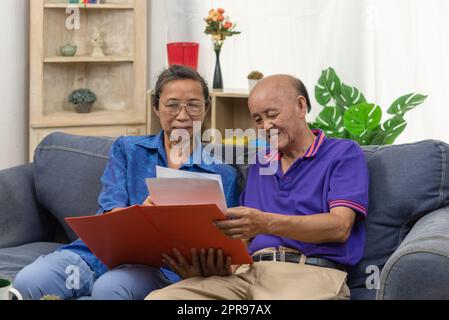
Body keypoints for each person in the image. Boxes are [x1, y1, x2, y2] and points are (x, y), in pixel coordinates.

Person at [13, 65, 239, 300]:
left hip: (160, 269)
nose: (183, 115)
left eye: (193, 105)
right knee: (30, 281)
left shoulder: (223, 174)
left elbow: (224, 246)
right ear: (156, 107)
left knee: (110, 289)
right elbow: (112, 208)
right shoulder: (128, 149)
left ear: (206, 109)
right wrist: (142, 216)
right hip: (93, 255)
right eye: (172, 105)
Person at [147, 74, 370, 300]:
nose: (266, 126)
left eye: (272, 114)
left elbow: (340, 227)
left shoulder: (342, 153)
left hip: (310, 273)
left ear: (301, 106)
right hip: (248, 275)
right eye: (257, 120)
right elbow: (243, 240)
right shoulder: (260, 165)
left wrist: (266, 223)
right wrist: (219, 268)